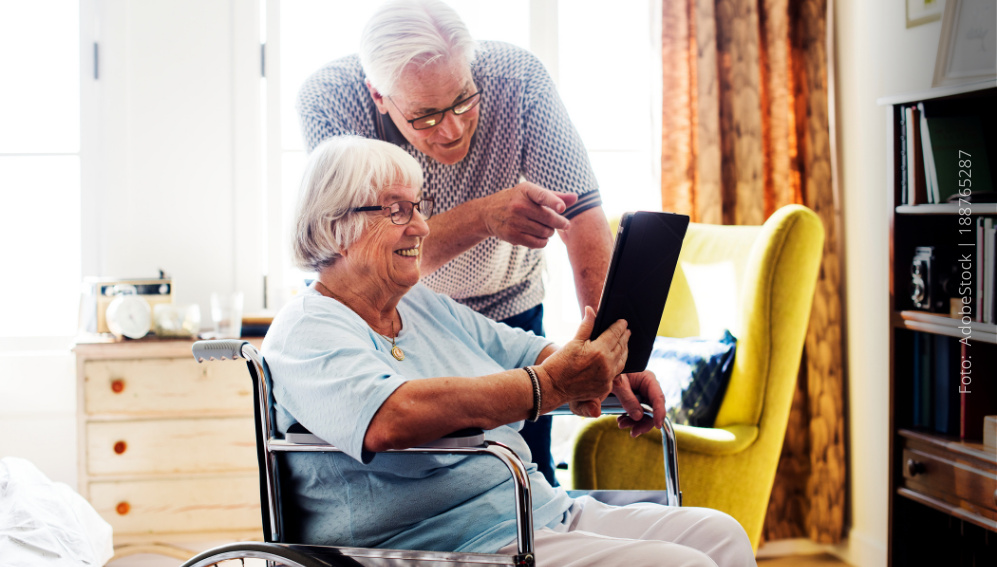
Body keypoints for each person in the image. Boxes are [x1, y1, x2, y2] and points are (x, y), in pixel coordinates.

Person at [261, 136, 756, 567]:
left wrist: (600, 374)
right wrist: (554, 385)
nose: (421, 227)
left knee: (720, 535)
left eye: (418, 206)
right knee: (679, 565)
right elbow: (392, 416)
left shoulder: (425, 307)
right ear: (333, 227)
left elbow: (533, 354)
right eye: (396, 210)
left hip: (533, 512)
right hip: (446, 544)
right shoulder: (307, 328)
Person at [295, 0, 614, 486]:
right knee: (425, 478)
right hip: (400, 321)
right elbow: (362, 256)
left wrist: (607, 352)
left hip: (508, 309)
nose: (453, 128)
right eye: (425, 117)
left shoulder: (517, 79)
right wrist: (483, 216)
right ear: (378, 96)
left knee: (530, 478)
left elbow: (584, 216)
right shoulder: (330, 100)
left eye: (465, 99)